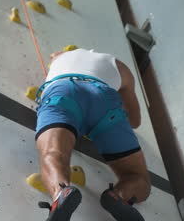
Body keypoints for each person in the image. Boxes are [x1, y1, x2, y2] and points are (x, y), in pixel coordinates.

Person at [35, 48, 151, 221]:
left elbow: (54, 56)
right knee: (137, 177)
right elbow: (135, 121)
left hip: (63, 91)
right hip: (103, 97)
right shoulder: (119, 66)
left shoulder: (60, 56)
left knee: (53, 153)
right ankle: (118, 196)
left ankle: (61, 193)